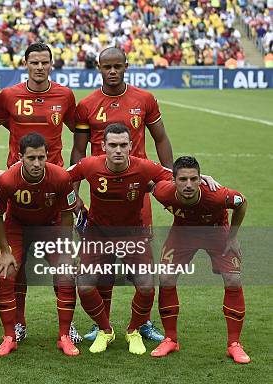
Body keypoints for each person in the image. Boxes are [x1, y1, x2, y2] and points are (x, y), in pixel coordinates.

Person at [71, 46, 173, 342]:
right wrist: (76, 194)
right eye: (106, 67)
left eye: (117, 66)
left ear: (126, 66)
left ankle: (143, 323)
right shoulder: (87, 105)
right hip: (102, 190)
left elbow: (161, 138)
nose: (112, 71)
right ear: (99, 68)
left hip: (138, 190)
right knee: (100, 263)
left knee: (140, 262)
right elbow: (79, 151)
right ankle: (101, 325)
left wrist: (169, 188)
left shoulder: (144, 99)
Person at [0, 42, 79, 342]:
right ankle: (18, 323)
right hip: (18, 190)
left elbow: (80, 134)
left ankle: (67, 326)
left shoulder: (65, 96)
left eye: (45, 62)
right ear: (25, 64)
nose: (39, 67)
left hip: (53, 189)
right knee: (16, 265)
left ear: (51, 65)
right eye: (34, 62)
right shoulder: (9, 96)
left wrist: (74, 177)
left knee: (64, 266)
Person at [68, 123, 172, 355]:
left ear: (131, 146)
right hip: (97, 234)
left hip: (132, 234)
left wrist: (201, 177)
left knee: (146, 286)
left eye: (123, 145)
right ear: (103, 146)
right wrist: (74, 202)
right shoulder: (89, 165)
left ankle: (133, 330)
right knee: (84, 286)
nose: (118, 150)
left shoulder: (144, 167)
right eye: (112, 145)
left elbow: (177, 178)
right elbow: (62, 178)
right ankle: (106, 330)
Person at [150, 156, 250, 364]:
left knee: (233, 280)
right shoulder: (162, 191)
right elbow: (146, 181)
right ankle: (170, 339)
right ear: (173, 180)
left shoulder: (217, 195)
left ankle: (234, 344)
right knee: (166, 278)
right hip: (183, 233)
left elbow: (242, 202)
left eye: (194, 179)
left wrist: (232, 237)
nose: (188, 185)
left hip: (216, 233)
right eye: (183, 179)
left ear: (200, 179)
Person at [0, 133, 79, 357]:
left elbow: (68, 215)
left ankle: (64, 335)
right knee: (6, 273)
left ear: (47, 156)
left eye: (41, 157)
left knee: (66, 273)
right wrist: (5, 251)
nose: (37, 163)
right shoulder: (7, 180)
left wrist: (67, 248)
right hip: (16, 228)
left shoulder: (60, 177)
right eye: (31, 158)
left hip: (51, 227)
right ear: (20, 157)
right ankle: (10, 335)